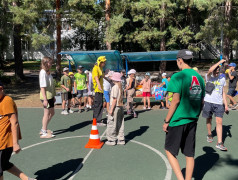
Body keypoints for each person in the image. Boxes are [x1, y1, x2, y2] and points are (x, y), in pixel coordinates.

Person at [163, 49, 205, 180]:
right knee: (189, 154)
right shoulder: (199, 77)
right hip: (192, 119)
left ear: (179, 60)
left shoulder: (178, 76)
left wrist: (166, 121)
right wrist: (196, 115)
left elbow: (175, 100)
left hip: (178, 119)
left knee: (169, 150)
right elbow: (202, 101)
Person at [0, 81, 36, 180]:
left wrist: (15, 143)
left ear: (1, 89)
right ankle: (27, 179)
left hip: (4, 142)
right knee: (4, 164)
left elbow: (14, 123)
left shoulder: (6, 101)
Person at [202, 59, 229, 151]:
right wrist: (219, 62)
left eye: (218, 71)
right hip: (208, 102)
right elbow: (209, 70)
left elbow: (223, 92)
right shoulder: (208, 77)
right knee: (209, 119)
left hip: (219, 103)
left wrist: (226, 104)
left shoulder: (222, 78)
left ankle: (220, 142)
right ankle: (209, 134)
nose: (216, 73)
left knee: (219, 122)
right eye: (215, 71)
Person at [106, 73, 125, 146]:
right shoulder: (120, 86)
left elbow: (114, 99)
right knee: (120, 123)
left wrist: (111, 110)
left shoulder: (115, 87)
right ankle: (121, 139)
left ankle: (112, 139)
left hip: (115, 107)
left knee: (112, 123)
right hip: (120, 106)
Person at [39, 57, 55, 138]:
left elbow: (52, 85)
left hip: (50, 96)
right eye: (49, 63)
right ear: (45, 63)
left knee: (52, 113)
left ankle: (43, 128)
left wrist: (53, 96)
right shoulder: (42, 73)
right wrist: (45, 99)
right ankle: (44, 131)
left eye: (51, 63)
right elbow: (42, 87)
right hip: (46, 97)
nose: (51, 64)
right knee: (47, 113)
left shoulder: (48, 72)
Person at [92, 56, 107, 126]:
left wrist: (110, 80)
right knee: (98, 105)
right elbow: (96, 77)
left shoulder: (100, 68)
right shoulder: (95, 68)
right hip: (98, 89)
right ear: (100, 62)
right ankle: (97, 121)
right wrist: (99, 85)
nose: (105, 63)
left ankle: (98, 120)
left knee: (100, 104)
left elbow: (103, 76)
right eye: (104, 62)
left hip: (101, 90)